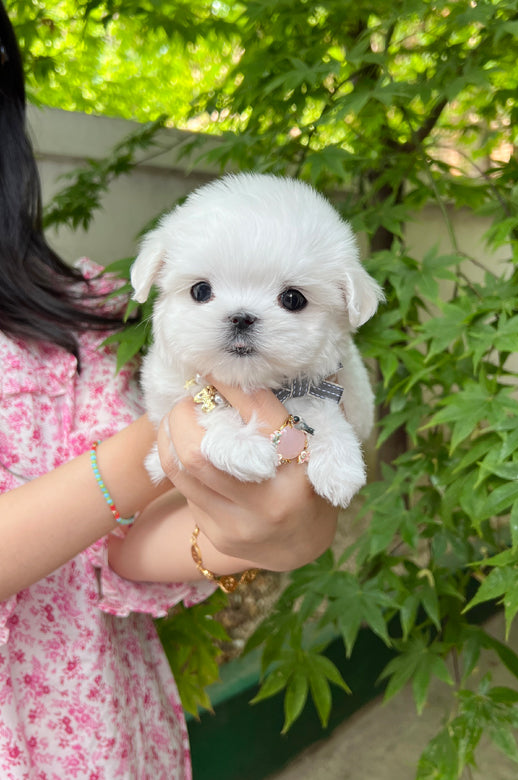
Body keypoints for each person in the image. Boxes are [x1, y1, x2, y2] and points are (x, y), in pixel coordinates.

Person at [0, 4, 337, 777]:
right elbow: (145, 467)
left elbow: (121, 551)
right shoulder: (178, 380)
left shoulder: (84, 310)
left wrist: (245, 537)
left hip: (101, 740)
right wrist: (166, 433)